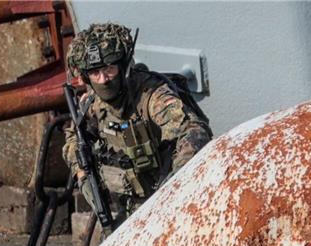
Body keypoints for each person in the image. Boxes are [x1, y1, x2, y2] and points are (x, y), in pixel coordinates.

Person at [63, 23, 212, 228]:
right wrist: (81, 173)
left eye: (109, 69)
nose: (103, 80)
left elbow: (194, 131)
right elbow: (74, 139)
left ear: (123, 67)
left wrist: (175, 183)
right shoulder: (92, 103)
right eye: (95, 73)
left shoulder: (151, 95)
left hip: (174, 206)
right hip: (128, 212)